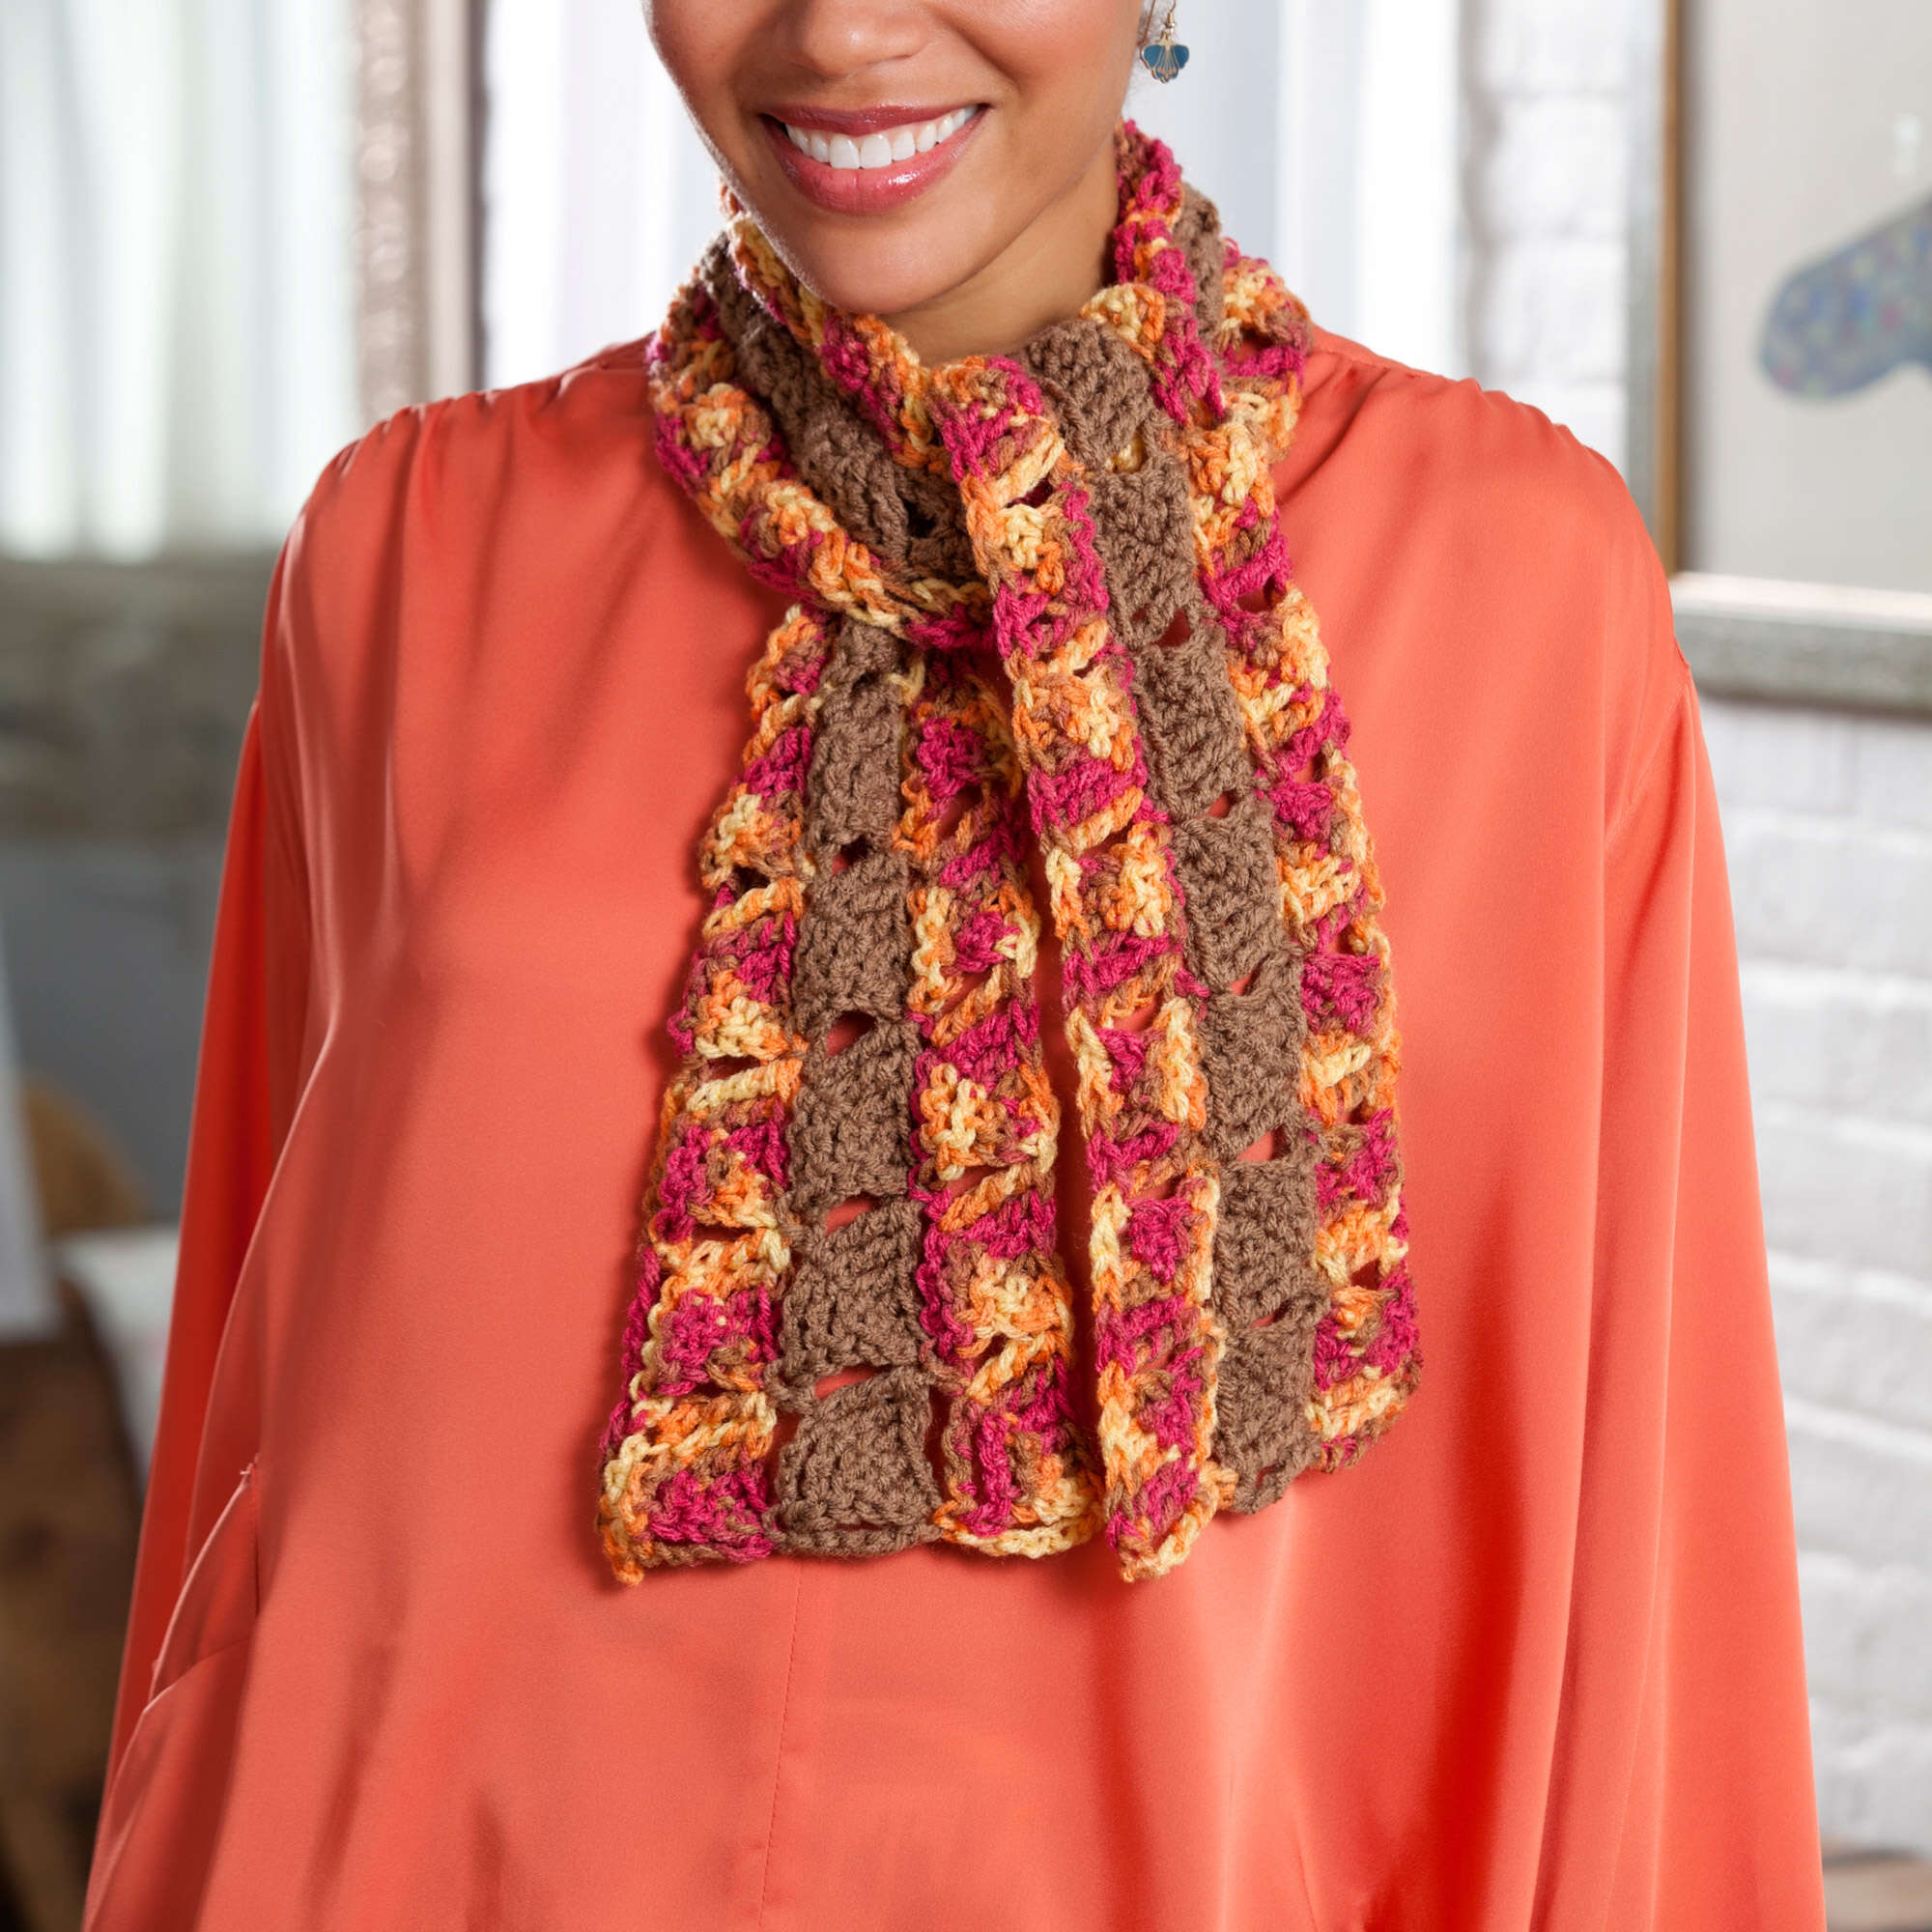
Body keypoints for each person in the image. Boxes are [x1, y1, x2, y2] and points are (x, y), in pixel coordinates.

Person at [83, 3, 1828, 1926]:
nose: (840, 30)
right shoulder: (407, 552)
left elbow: (1637, 1514)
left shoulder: (1510, 579)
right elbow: (265, 1420)